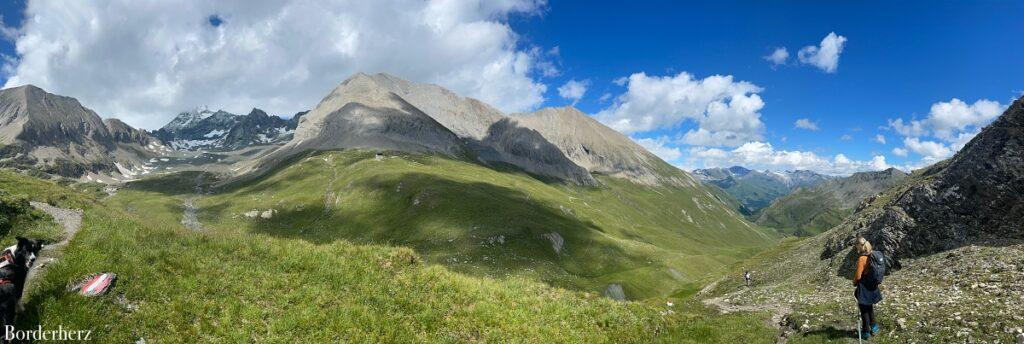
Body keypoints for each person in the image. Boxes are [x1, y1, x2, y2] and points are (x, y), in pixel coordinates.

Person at [853, 236, 883, 339]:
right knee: (869, 307)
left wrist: (854, 282)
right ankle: (874, 327)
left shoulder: (862, 258)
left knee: (863, 309)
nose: (856, 248)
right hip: (872, 285)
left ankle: (865, 332)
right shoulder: (872, 253)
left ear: (859, 246)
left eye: (856, 246)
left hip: (864, 286)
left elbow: (858, 275)